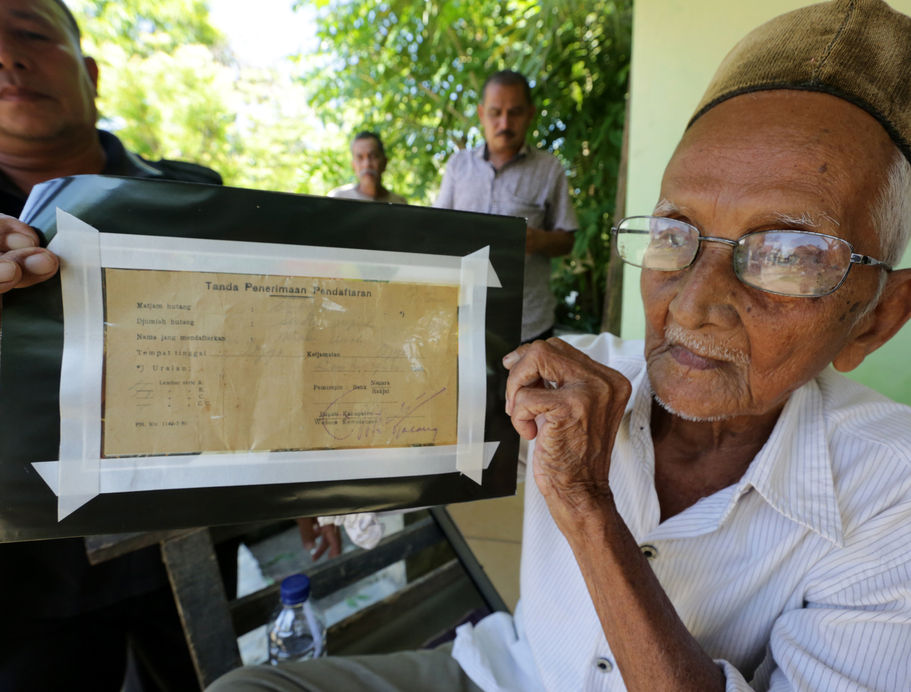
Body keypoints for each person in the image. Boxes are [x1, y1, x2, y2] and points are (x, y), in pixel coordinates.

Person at [205, 1, 911, 690]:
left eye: (787, 253)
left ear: (875, 319)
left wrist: (586, 506)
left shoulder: (890, 495)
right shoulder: (579, 372)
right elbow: (385, 416)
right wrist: (303, 460)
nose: (692, 304)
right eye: (672, 233)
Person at [0, 1, 224, 690]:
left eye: (32, 33)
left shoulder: (200, 198)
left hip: (193, 544)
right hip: (24, 587)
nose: (9, 57)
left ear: (90, 70)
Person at [434, 70, 577, 343]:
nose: (504, 122)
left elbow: (567, 240)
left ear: (531, 114)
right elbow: (436, 229)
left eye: (515, 112)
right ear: (480, 114)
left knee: (526, 388)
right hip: (462, 317)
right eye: (495, 112)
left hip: (528, 323)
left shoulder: (549, 169)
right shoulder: (457, 166)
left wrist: (538, 239)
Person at [327, 131, 407, 204]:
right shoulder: (337, 199)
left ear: (384, 162)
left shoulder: (399, 203)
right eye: (360, 158)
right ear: (353, 165)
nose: (367, 164)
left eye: (372, 156)